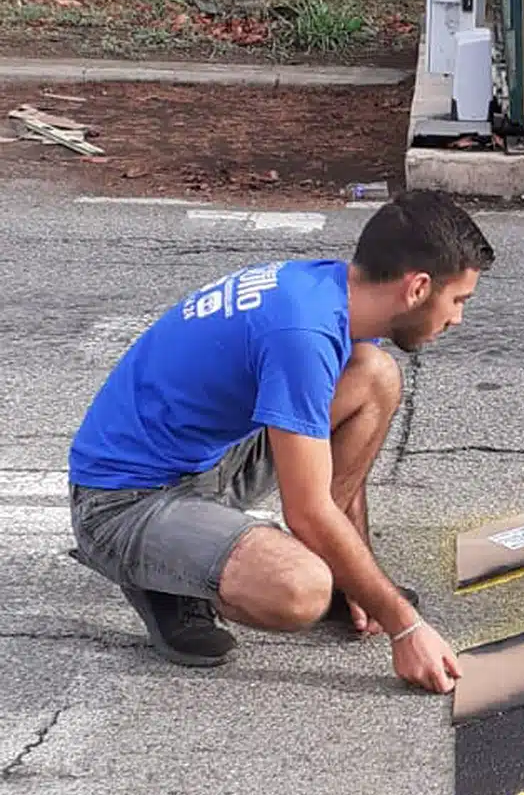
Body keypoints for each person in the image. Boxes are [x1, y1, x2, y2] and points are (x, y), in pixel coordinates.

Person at [67, 192, 494, 692]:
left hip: (209, 465)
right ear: (418, 288)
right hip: (122, 502)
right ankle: (168, 577)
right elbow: (308, 511)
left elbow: (333, 454)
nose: (457, 319)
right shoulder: (302, 332)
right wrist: (406, 626)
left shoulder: (334, 295)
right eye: (458, 300)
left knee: (375, 377)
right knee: (302, 589)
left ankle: (303, 562)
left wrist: (362, 577)